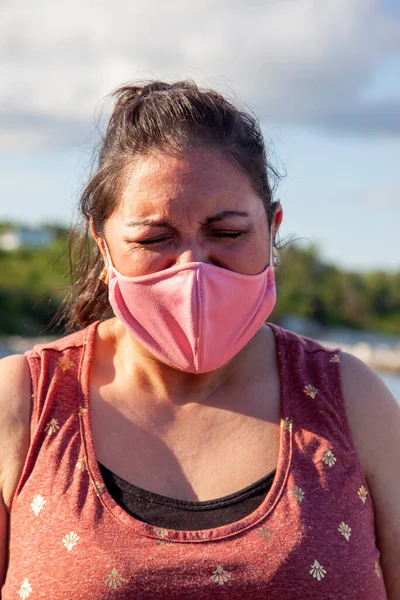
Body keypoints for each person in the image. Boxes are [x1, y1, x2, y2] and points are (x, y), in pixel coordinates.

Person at [0, 80, 399, 599]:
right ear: (102, 245)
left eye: (227, 234)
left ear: (272, 230)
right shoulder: (24, 404)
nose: (193, 271)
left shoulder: (353, 399)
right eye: (154, 239)